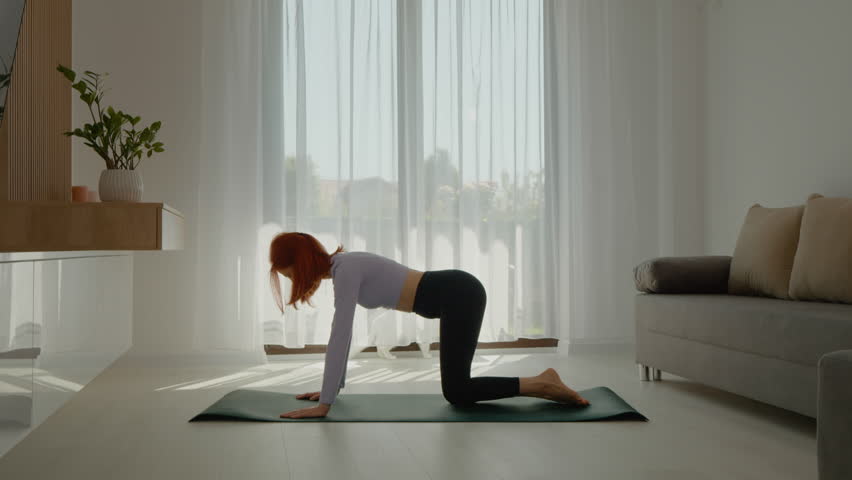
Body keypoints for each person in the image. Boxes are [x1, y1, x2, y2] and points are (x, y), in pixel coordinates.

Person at [269, 232, 590, 419]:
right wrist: (331, 392)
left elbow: (340, 334)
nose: (293, 281)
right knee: (457, 390)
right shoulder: (343, 268)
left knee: (457, 391)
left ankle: (542, 383)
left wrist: (325, 403)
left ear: (303, 263)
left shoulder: (346, 269)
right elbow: (344, 334)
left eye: (289, 274)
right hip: (453, 296)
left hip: (459, 293)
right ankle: (542, 381)